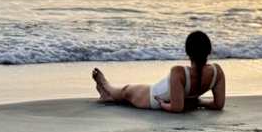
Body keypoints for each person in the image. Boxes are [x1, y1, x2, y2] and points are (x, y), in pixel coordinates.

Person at [91, 31, 226, 112]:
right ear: (209, 51)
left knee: (126, 91)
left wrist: (163, 104)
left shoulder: (179, 72)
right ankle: (108, 96)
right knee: (126, 94)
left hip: (152, 97)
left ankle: (106, 86)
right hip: (162, 93)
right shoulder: (217, 71)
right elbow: (218, 104)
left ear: (187, 53)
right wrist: (199, 102)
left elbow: (177, 108)